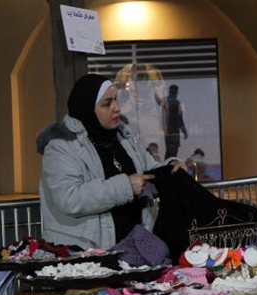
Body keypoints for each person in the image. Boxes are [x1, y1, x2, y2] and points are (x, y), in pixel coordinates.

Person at [36, 74, 184, 250]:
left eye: (116, 100)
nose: (116, 108)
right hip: (86, 255)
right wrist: (125, 187)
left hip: (134, 251)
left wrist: (171, 168)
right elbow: (69, 198)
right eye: (107, 103)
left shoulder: (123, 138)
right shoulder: (61, 146)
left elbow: (150, 169)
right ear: (87, 108)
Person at [156, 84, 188, 159]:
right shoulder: (177, 103)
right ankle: (170, 167)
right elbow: (180, 119)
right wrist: (184, 131)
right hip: (174, 131)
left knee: (168, 151)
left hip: (167, 131)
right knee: (173, 153)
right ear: (176, 93)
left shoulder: (165, 101)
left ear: (169, 92)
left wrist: (154, 92)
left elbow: (158, 101)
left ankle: (167, 166)